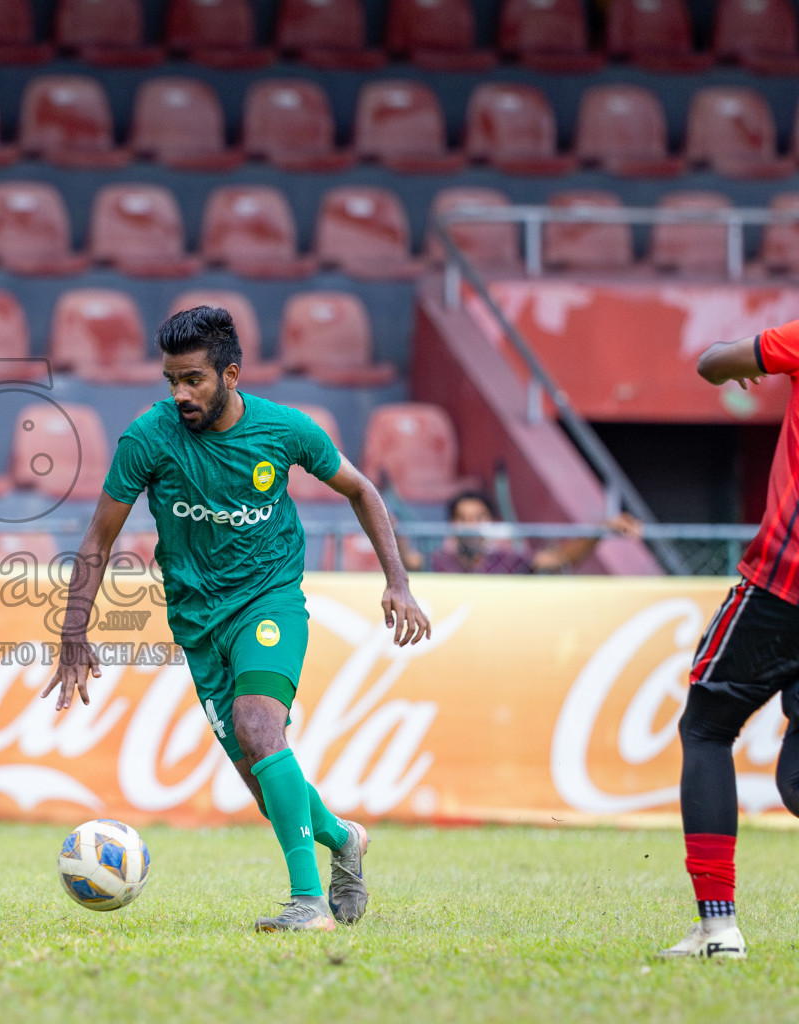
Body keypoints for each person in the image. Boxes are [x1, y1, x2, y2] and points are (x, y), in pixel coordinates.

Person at [41, 306, 431, 933]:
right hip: (197, 624)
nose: (180, 394)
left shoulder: (286, 430)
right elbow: (98, 538)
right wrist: (73, 633)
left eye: (193, 379)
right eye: (171, 380)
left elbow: (361, 489)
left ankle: (308, 903)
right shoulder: (149, 438)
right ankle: (344, 839)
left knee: (257, 724)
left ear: (231, 373)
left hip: (269, 602)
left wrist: (399, 583)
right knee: (262, 781)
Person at [660, 325, 799, 959]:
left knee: (707, 728)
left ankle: (718, 928)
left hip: (784, 580)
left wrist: (738, 357)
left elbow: (712, 364)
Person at [402, 490, 642, 574]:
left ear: (491, 523)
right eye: (462, 519)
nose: (471, 526)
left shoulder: (508, 562)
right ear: (451, 526)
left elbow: (560, 558)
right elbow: (406, 561)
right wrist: (386, 525)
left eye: (478, 518)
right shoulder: (437, 562)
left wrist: (600, 531)